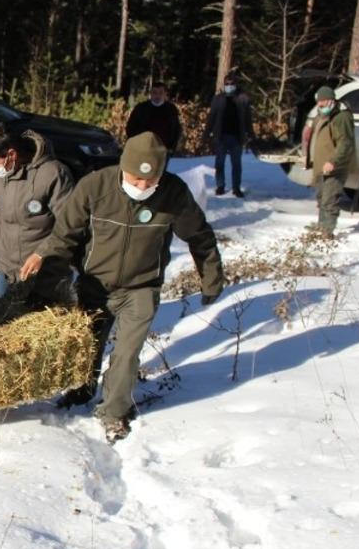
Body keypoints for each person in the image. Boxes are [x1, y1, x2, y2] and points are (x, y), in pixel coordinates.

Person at [19, 132, 224, 443]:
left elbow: (200, 236)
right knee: (88, 344)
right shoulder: (95, 186)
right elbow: (65, 236)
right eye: (135, 178)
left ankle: (114, 412)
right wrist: (44, 274)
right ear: (123, 167)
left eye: (150, 180)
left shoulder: (173, 193)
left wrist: (211, 280)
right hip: (95, 284)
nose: (141, 186)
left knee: (127, 354)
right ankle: (81, 390)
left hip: (141, 287)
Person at [0, 122, 75, 307]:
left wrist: (41, 254)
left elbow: (69, 223)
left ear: (11, 155)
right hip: (6, 268)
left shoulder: (53, 174)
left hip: (44, 271)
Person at [303, 86, 356, 237]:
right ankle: (321, 225)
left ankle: (327, 231)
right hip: (321, 164)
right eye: (319, 101)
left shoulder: (341, 117)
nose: (320, 104)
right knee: (321, 197)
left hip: (334, 166)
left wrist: (333, 161)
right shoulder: (321, 115)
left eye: (324, 101)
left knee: (330, 199)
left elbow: (345, 143)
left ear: (332, 100)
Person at [204, 73, 254, 197]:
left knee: (236, 164)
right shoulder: (218, 99)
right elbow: (212, 117)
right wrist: (206, 133)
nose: (229, 86)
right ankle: (220, 186)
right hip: (221, 136)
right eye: (227, 84)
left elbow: (248, 119)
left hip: (237, 137)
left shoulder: (243, 99)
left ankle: (236, 188)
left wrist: (251, 134)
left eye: (232, 84)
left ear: (236, 84)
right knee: (219, 163)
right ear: (224, 84)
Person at [125, 82, 182, 155]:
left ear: (165, 94)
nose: (157, 96)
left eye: (160, 93)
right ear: (151, 94)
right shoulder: (141, 109)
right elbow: (130, 128)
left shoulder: (171, 109)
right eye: (154, 93)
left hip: (164, 151)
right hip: (143, 151)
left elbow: (176, 130)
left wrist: (172, 147)